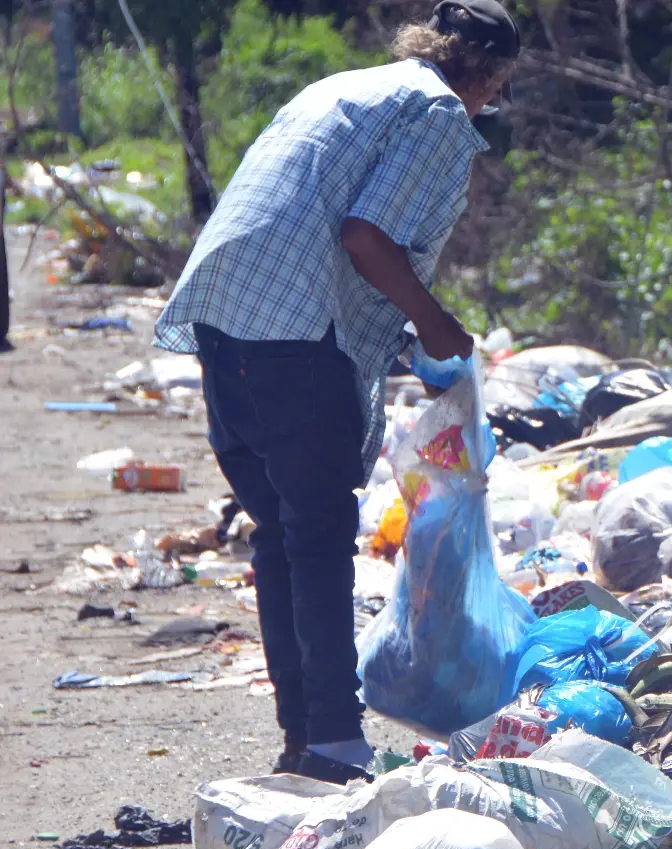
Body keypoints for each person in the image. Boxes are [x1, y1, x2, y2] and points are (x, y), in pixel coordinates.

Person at [152, 0, 519, 784]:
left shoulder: (344, 87)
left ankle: (307, 736)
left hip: (226, 321)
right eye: (495, 87)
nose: (489, 103)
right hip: (291, 333)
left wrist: (403, 331)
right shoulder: (436, 111)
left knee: (284, 533)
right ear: (483, 73)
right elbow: (364, 237)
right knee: (314, 534)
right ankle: (333, 742)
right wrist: (436, 323)